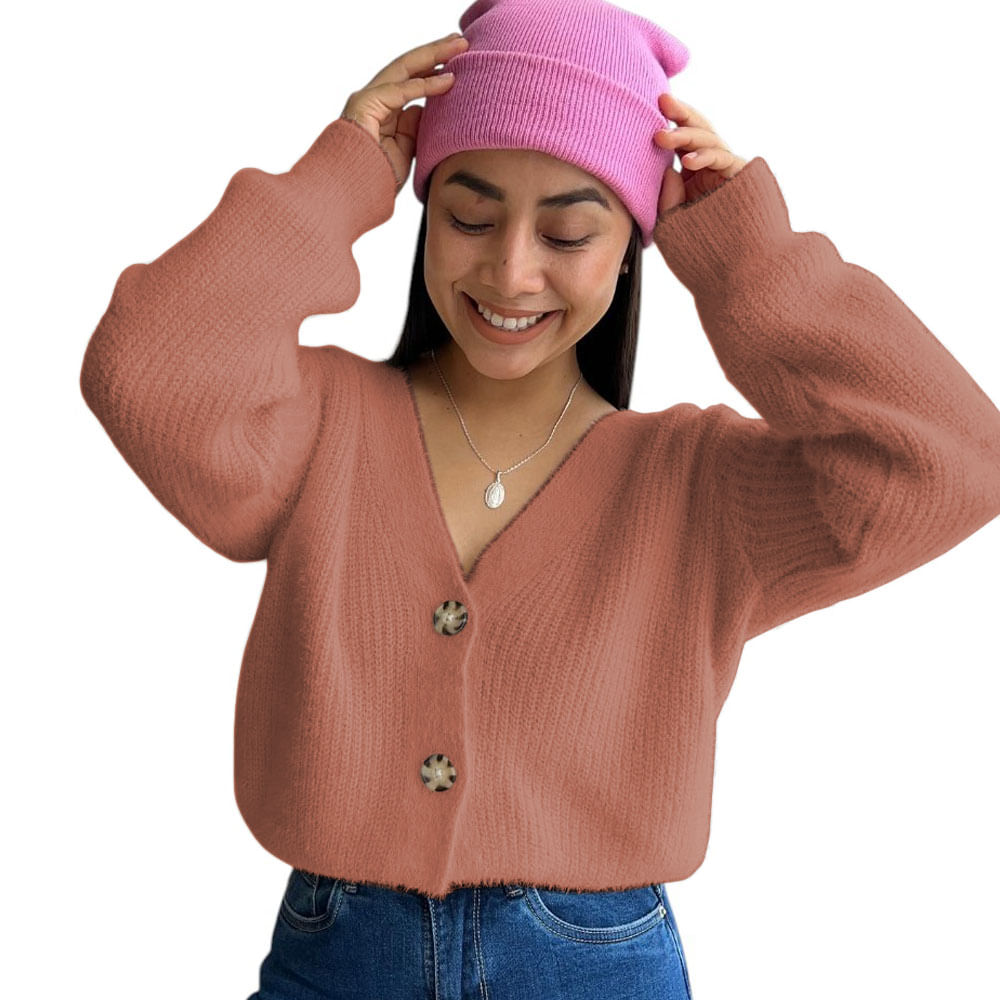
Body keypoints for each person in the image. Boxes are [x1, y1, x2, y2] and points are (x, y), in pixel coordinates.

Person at [78, 1, 1000, 997]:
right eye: (468, 218)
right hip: (338, 953)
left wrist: (746, 255)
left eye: (567, 231)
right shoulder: (317, 428)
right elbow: (145, 372)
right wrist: (339, 177)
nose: (510, 270)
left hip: (594, 964)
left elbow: (949, 461)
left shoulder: (699, 487)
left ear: (633, 242)